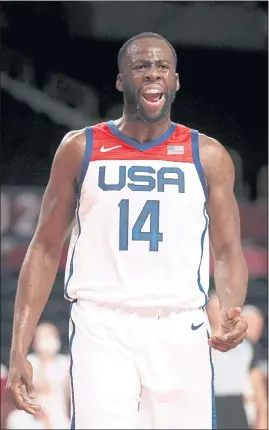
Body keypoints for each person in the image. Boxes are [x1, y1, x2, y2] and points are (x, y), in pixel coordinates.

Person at [6, 32, 248, 429]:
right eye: (141, 66)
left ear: (175, 81)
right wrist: (18, 348)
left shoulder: (207, 155)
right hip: (102, 324)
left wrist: (231, 309)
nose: (152, 74)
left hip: (180, 324)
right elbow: (46, 247)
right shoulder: (80, 148)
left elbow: (227, 249)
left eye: (162, 67)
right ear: (121, 80)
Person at [207, 291, 256, 429]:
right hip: (211, 404)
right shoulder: (200, 344)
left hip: (237, 407)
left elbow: (254, 379)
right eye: (215, 308)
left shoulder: (245, 346)